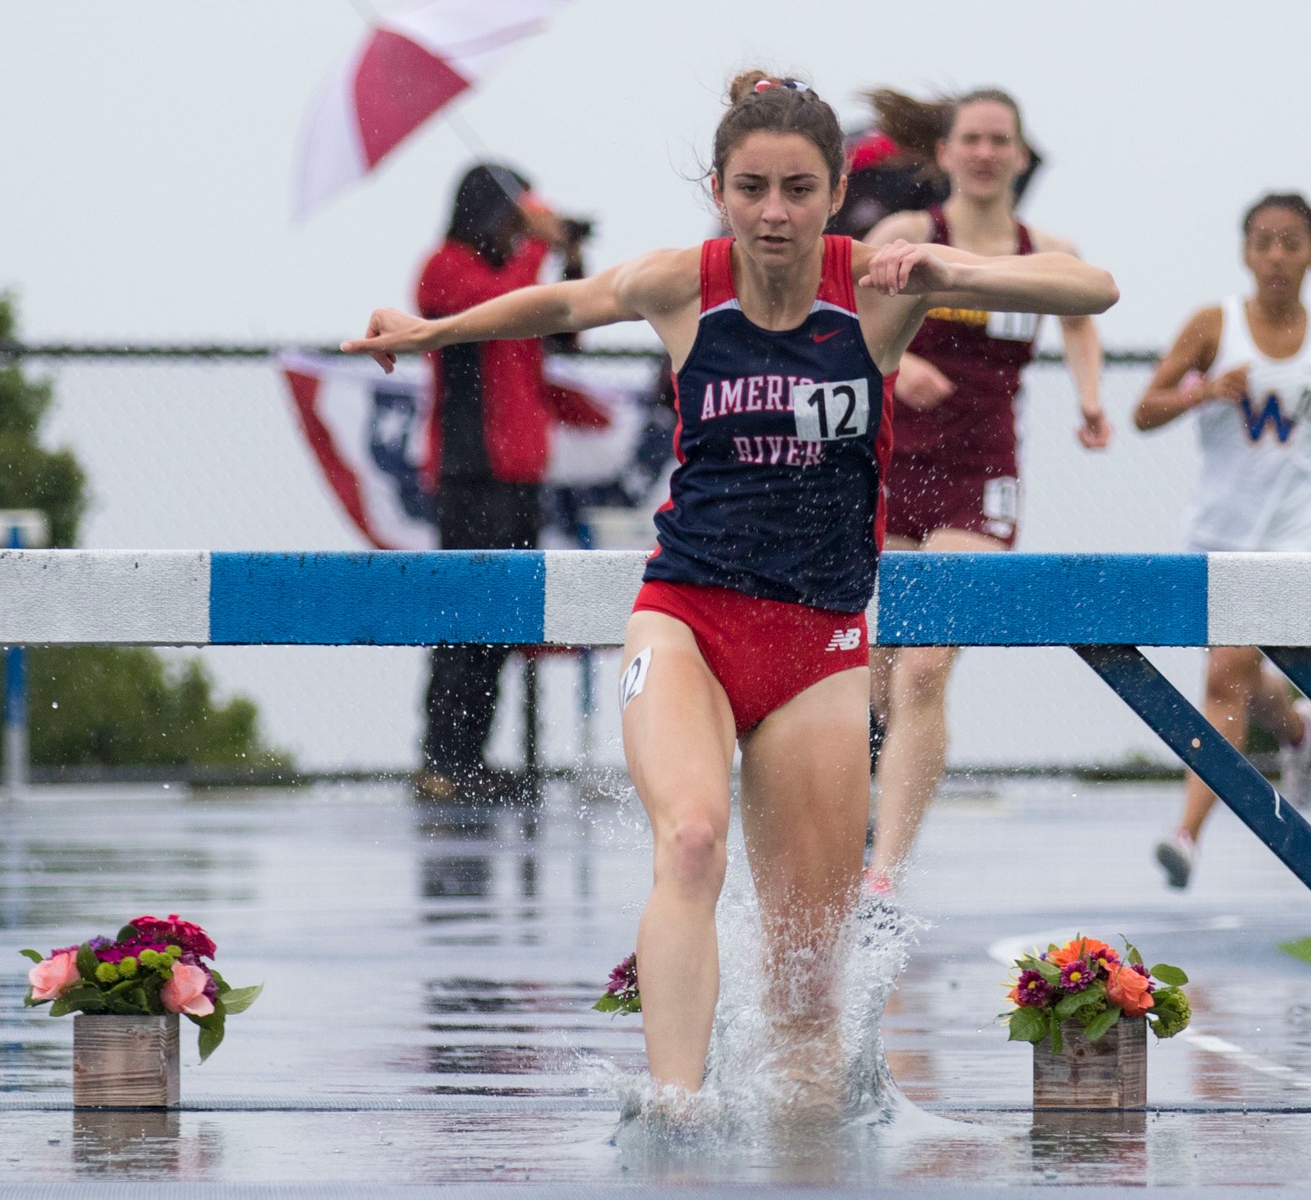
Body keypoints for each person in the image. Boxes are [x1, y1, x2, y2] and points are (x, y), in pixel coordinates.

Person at [343, 71, 1118, 1102]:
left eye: (798, 189)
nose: (774, 213)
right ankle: (675, 1115)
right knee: (694, 839)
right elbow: (564, 302)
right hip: (688, 621)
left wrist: (946, 265)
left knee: (806, 977)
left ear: (837, 192)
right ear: (718, 191)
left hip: (819, 646)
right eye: (751, 188)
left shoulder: (881, 286)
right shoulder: (683, 284)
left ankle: (806, 1134)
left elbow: (1093, 289)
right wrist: (428, 334)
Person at [859, 88, 1109, 892]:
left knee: (926, 665)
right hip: (891, 470)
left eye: (1001, 140)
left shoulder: (1045, 253)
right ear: (945, 153)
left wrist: (1091, 398)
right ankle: (855, 815)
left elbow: (1080, 318)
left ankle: (886, 874)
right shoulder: (904, 236)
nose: (985, 153)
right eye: (971, 138)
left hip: (980, 479)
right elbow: (840, 317)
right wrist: (898, 363)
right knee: (873, 674)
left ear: (1021, 156)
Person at [1132, 192, 1311, 889]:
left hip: (1292, 534)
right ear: (1246, 252)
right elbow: (1144, 410)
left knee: (1225, 671)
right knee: (1241, 676)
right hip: (1217, 531)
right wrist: (1202, 392)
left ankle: (1186, 835)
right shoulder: (1212, 325)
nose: (1276, 256)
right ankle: (1297, 732)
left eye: (1291, 242)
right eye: (1263, 242)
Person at [413, 163, 591, 805]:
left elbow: (566, 335)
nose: (516, 233)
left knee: (501, 623)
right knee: (461, 618)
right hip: (471, 473)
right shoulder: (444, 268)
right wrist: (542, 245)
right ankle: (441, 760)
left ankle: (471, 759)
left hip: (517, 474)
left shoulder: (513, 271)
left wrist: (571, 263)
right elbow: (495, 310)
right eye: (512, 220)